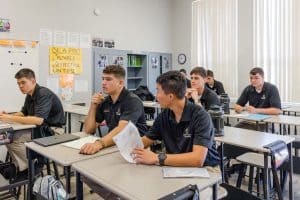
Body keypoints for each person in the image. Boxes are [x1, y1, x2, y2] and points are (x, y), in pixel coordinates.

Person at [132, 70, 220, 167]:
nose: (156, 97)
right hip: (176, 166)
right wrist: (128, 145)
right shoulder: (164, 116)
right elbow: (146, 140)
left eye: (158, 91)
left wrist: (156, 157)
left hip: (205, 170)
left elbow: (198, 159)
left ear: (170, 96)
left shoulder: (201, 116)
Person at [0, 68, 65, 178]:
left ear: (33, 81)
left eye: (23, 82)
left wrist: (9, 117)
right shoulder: (29, 95)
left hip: (54, 132)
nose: (20, 86)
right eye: (18, 83)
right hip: (40, 129)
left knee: (11, 139)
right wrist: (4, 117)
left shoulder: (43, 94)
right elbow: (23, 113)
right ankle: (23, 167)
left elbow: (38, 120)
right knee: (6, 138)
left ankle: (33, 167)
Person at [80, 65, 148, 155]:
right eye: (103, 79)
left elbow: (122, 130)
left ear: (120, 83)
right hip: (114, 144)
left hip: (136, 149)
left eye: (108, 79)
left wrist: (99, 143)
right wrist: (93, 106)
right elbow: (89, 129)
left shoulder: (132, 101)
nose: (103, 83)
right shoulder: (105, 101)